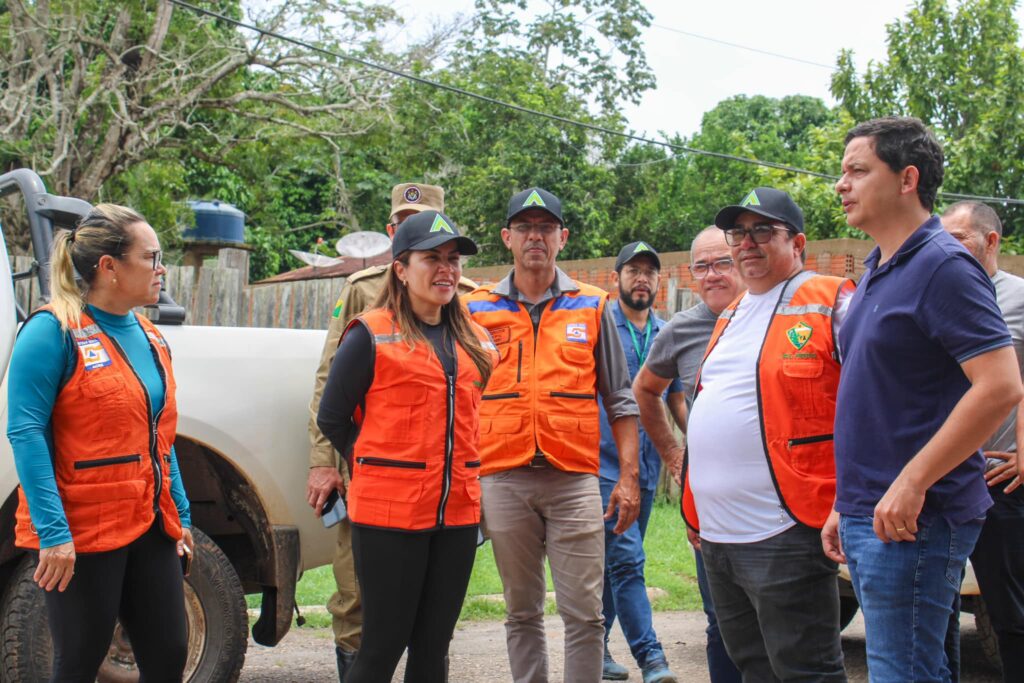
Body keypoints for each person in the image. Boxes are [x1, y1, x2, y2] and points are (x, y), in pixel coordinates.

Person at [826, 117, 1023, 683]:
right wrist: (848, 500)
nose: (842, 184)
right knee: (923, 668)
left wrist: (911, 482)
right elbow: (879, 398)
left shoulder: (944, 265)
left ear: (907, 178)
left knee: (903, 673)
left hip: (915, 518)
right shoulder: (877, 268)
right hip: (871, 510)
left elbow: (1001, 385)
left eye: (858, 170)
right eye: (843, 172)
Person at [8, 204, 193, 681]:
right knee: (79, 661)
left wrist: (181, 518)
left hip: (150, 524)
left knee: (170, 653)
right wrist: (53, 534)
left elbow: (161, 438)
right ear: (109, 267)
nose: (161, 269)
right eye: (151, 257)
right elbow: (25, 434)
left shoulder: (152, 336)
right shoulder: (51, 332)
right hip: (81, 532)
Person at [465, 187, 641, 683]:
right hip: (503, 479)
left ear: (563, 238)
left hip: (574, 482)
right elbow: (460, 398)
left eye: (546, 228)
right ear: (507, 238)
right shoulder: (477, 309)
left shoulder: (592, 305)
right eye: (525, 227)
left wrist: (627, 478)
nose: (535, 237)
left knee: (584, 614)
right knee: (521, 611)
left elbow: (621, 399)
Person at [316, 210, 497, 683]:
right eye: (432, 258)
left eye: (453, 260)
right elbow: (332, 416)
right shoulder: (370, 332)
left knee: (434, 649)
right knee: (381, 646)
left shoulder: (476, 339)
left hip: (456, 515)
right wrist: (376, 462)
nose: (447, 270)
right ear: (401, 268)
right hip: (389, 517)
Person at [681, 187, 853, 682]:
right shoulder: (732, 314)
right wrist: (693, 497)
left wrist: (849, 498)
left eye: (762, 231)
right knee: (752, 668)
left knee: (806, 671)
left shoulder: (830, 298)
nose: (747, 243)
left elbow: (871, 402)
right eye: (739, 233)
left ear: (797, 242)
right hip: (717, 535)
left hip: (786, 529)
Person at [634, 226, 744, 683]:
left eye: (723, 262)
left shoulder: (771, 313)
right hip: (711, 506)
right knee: (723, 622)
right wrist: (674, 456)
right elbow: (645, 391)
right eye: (703, 266)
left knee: (782, 628)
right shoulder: (682, 329)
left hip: (782, 504)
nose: (713, 274)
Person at [941, 201, 1024, 682]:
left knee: (1011, 610)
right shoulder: (937, 296)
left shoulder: (1016, 297)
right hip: (942, 479)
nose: (946, 249)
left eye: (959, 239)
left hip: (1000, 480)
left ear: (990, 242)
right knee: (938, 609)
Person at [598, 241, 683, 683]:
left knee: (620, 563)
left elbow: (675, 396)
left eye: (650, 271)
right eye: (633, 270)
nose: (642, 278)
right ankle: (653, 659)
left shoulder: (666, 331)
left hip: (648, 468)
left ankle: (596, 649)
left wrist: (689, 447)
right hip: (604, 466)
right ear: (617, 278)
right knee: (628, 560)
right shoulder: (600, 325)